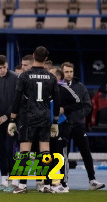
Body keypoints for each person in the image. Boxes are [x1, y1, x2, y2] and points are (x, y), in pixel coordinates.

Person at [8, 46, 60, 194]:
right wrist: (55, 121)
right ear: (46, 59)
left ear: (33, 56)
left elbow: (17, 98)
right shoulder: (51, 77)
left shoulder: (24, 76)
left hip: (27, 117)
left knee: (24, 151)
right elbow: (57, 100)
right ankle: (47, 185)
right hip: (44, 116)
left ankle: (22, 186)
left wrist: (12, 118)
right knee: (45, 151)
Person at [61, 62, 105, 190]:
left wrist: (76, 116)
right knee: (64, 154)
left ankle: (92, 180)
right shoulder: (58, 87)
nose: (69, 74)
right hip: (64, 126)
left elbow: (87, 106)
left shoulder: (80, 87)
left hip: (79, 125)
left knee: (86, 152)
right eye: (66, 72)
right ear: (62, 72)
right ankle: (64, 183)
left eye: (71, 71)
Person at [0, 55, 18, 191]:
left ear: (7, 65)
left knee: (10, 148)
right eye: (0, 68)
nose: (2, 70)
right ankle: (4, 180)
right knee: (0, 150)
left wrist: (6, 116)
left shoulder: (15, 78)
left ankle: (14, 179)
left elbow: (16, 101)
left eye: (4, 67)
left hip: (11, 120)